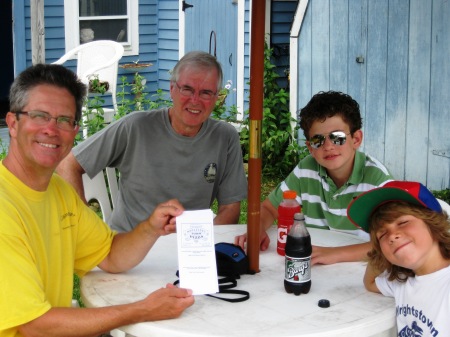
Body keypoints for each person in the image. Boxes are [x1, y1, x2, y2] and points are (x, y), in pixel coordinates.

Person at [0, 64, 194, 337]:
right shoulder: (4, 207)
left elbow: (111, 255)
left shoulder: (58, 191)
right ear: (13, 124)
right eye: (40, 116)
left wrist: (150, 228)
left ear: (75, 130)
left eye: (64, 120)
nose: (52, 130)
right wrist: (142, 309)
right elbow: (35, 325)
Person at [56, 51, 247, 232]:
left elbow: (230, 209)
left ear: (216, 97)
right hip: (127, 247)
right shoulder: (136, 126)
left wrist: (200, 243)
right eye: (187, 89)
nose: (195, 100)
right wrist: (84, 227)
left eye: (206, 92)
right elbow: (68, 165)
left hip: (188, 247)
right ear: (172, 89)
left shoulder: (225, 137)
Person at [235, 91, 393, 265]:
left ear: (356, 139)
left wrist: (333, 254)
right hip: (312, 266)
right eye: (318, 140)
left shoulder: (378, 180)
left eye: (337, 137)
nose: (328, 146)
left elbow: (391, 241)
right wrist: (256, 230)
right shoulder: (306, 170)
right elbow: (269, 208)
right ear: (310, 147)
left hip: (360, 270)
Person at [347, 180, 450, 336]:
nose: (392, 236)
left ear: (433, 222)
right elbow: (370, 283)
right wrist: (379, 252)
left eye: (403, 222)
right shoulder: (402, 281)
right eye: (382, 234)